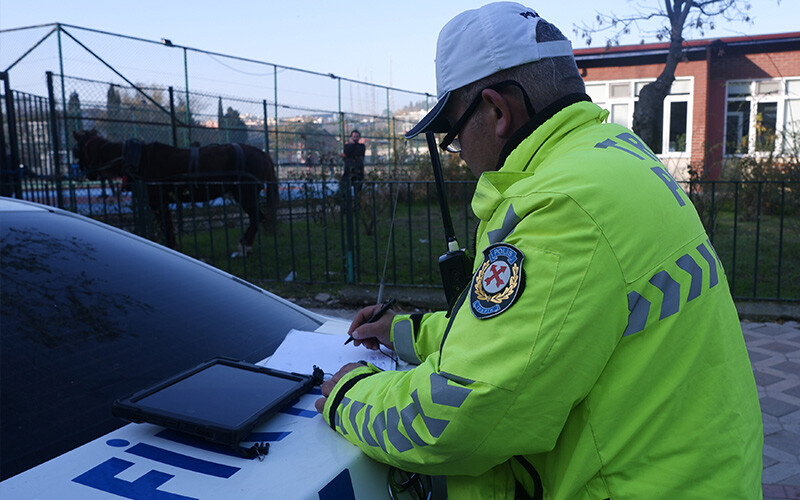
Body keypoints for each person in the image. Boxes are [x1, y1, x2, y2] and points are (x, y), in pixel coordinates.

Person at [314, 3, 763, 499]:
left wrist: (350, 395)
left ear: (498, 112)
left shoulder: (561, 208)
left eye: (455, 136)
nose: (460, 155)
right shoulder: (616, 158)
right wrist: (409, 330)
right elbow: (550, 329)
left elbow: (456, 420)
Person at [341, 129, 365, 194]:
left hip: (358, 171)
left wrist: (349, 154)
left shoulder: (361, 146)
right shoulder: (347, 146)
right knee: (345, 190)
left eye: (357, 137)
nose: (355, 138)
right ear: (351, 137)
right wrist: (351, 144)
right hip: (348, 170)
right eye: (354, 137)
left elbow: (358, 153)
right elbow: (346, 152)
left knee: (358, 191)